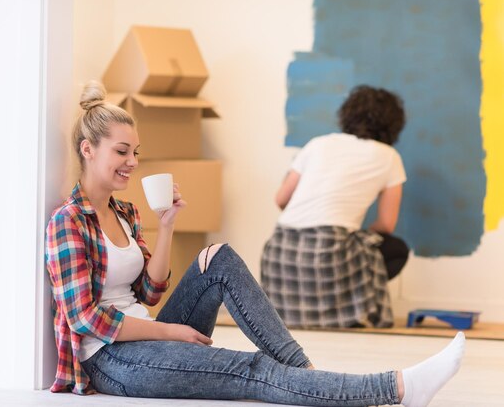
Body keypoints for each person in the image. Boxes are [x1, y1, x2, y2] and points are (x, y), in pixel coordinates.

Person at [45, 81, 464, 406]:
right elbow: (85, 320)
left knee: (218, 258)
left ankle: (305, 372)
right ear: (88, 149)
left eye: (136, 151)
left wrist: (167, 225)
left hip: (147, 332)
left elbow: (151, 292)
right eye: (122, 151)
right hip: (111, 359)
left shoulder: (126, 213)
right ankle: (399, 388)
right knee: (249, 368)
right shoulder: (67, 223)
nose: (133, 162)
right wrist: (168, 330)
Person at [261, 85, 410, 329]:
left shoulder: (318, 144)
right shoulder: (389, 156)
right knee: (395, 248)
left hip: (279, 253)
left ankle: (299, 315)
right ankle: (347, 311)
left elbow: (281, 199)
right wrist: (358, 237)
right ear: (392, 124)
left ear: (348, 114)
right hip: (329, 255)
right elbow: (386, 225)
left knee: (362, 247)